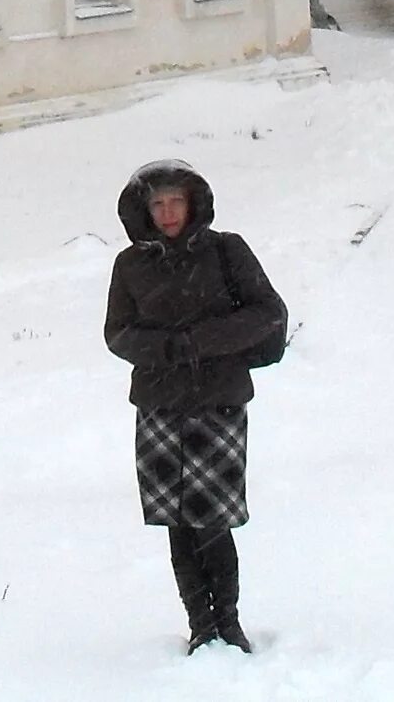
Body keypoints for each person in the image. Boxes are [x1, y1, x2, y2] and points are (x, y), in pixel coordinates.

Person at [102, 157, 287, 653]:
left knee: (213, 518)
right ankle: (199, 625)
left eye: (175, 201)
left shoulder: (227, 251)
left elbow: (268, 313)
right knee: (176, 522)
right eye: (157, 204)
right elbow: (117, 333)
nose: (166, 213)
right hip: (160, 407)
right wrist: (165, 350)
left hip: (218, 402)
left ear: (192, 202)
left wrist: (199, 341)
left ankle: (229, 623)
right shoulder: (130, 264)